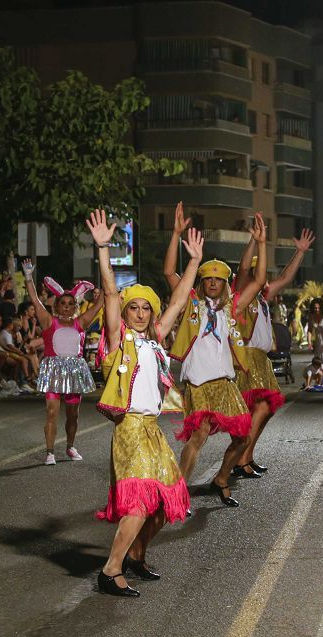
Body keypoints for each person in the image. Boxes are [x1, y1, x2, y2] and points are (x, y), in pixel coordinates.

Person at [87, 209, 201, 598]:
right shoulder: (121, 341)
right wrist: (104, 248)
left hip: (151, 429)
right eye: (133, 307)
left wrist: (196, 263)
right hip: (130, 429)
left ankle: (136, 554)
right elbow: (108, 292)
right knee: (138, 502)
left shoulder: (155, 341)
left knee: (166, 503)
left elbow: (181, 297)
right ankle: (110, 570)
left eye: (144, 308)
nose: (138, 313)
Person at [164, 202, 266, 508]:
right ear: (201, 282)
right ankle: (178, 493)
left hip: (225, 383)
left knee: (244, 437)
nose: (212, 282)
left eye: (218, 279)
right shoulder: (190, 302)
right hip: (198, 383)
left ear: (224, 284)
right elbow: (169, 271)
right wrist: (175, 234)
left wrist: (260, 242)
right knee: (199, 437)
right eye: (208, 278)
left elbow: (258, 281)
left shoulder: (231, 307)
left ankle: (221, 478)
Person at [229, 227, 315, 479]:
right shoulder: (243, 294)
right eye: (261, 275)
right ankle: (240, 458)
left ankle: (247, 456)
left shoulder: (263, 298)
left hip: (261, 361)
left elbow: (286, 278)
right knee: (257, 410)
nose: (265, 280)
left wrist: (299, 253)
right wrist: (255, 241)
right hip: (245, 358)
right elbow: (243, 269)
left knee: (267, 408)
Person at [23, 261, 103, 466]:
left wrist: (106, 276)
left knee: (73, 415)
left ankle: (70, 446)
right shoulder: (49, 321)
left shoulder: (81, 322)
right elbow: (33, 298)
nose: (66, 307)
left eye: (70, 303)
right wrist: (28, 277)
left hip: (75, 371)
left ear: (75, 306)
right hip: (54, 370)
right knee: (51, 412)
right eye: (63, 303)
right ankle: (50, 452)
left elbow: (100, 303)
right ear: (56, 306)